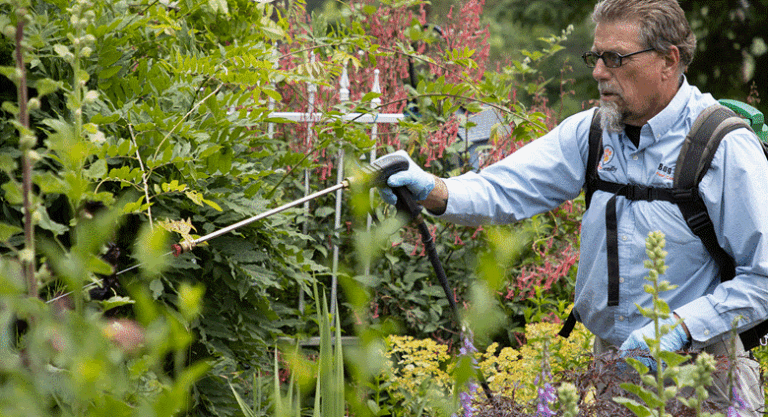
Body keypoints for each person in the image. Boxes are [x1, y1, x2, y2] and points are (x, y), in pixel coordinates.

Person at [378, 0, 767, 414]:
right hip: (609, 369)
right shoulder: (594, 132)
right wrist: (434, 190)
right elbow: (504, 188)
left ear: (668, 60)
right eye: (596, 57)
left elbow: (763, 277)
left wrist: (681, 327)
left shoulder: (721, 146)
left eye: (615, 58)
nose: (599, 72)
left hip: (703, 372)